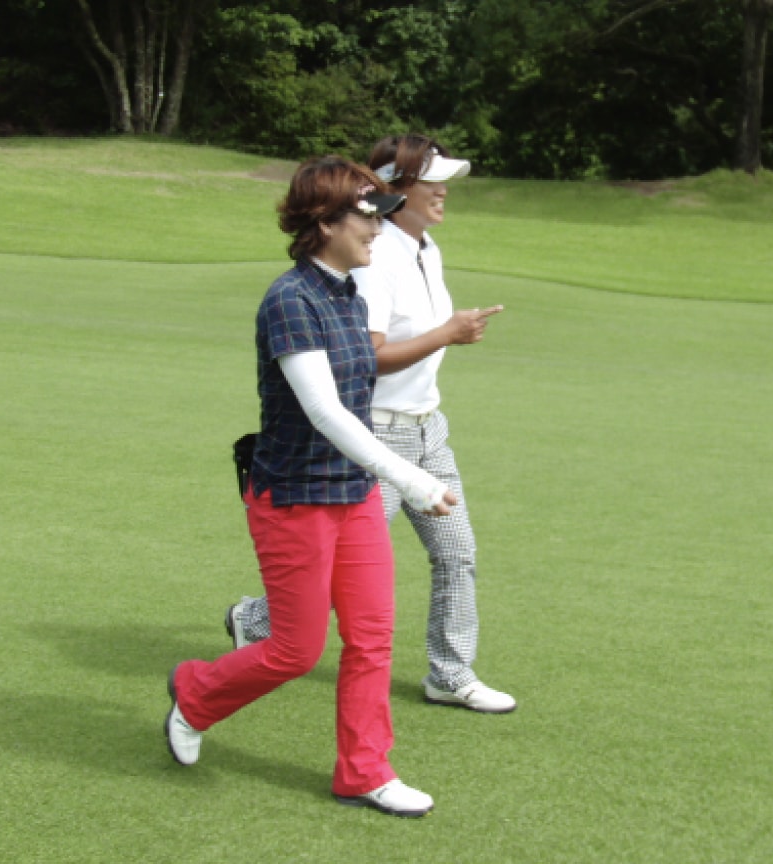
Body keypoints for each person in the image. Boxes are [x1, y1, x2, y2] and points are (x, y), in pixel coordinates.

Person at [165, 156, 458, 819]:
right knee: (294, 652)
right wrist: (411, 478)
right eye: (367, 215)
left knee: (372, 636)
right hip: (294, 500)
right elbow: (325, 413)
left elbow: (359, 403)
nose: (379, 229)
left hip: (351, 495)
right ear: (324, 222)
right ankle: (194, 693)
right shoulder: (290, 300)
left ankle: (364, 771)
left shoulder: (349, 293)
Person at [227, 134, 516, 714]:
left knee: (457, 551)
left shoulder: (423, 247)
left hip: (427, 426)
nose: (442, 191)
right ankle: (256, 618)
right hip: (375, 433)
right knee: (342, 569)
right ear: (395, 187)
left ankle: (450, 672)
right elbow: (369, 354)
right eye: (431, 180)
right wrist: (447, 334)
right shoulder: (372, 257)